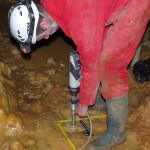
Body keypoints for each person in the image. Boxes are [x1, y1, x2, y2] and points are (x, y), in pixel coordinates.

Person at [8, 0, 150, 149]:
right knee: (100, 48)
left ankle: (116, 134)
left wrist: (84, 102)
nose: (46, 38)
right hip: (103, 6)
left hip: (135, 3)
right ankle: (102, 97)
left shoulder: (79, 18)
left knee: (110, 66)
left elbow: (90, 63)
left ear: (43, 22)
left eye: (42, 36)